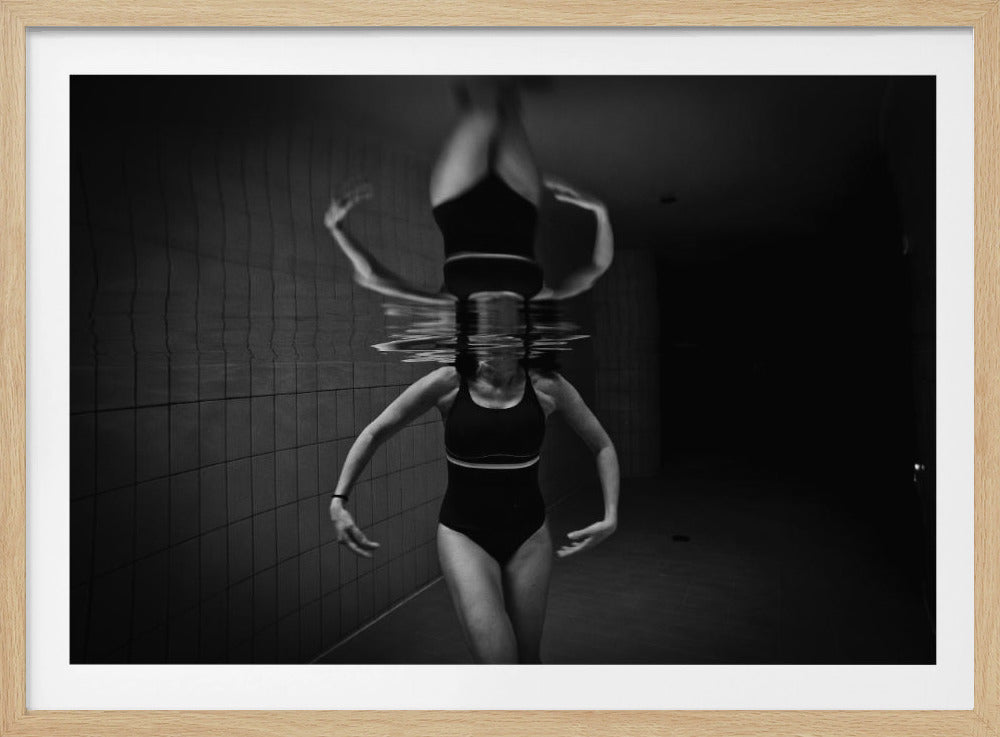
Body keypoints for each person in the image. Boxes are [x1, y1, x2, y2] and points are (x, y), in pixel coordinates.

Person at [327, 344, 620, 664]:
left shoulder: (547, 386)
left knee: (529, 661)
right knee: (499, 663)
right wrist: (339, 499)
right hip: (464, 537)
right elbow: (374, 432)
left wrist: (611, 515)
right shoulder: (449, 382)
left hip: (529, 536)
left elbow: (602, 444)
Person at [323, 77, 614, 304]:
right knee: (506, 110)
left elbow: (374, 277)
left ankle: (473, 101)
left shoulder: (452, 306)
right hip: (520, 203)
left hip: (456, 202)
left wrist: (336, 229)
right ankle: (505, 94)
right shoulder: (536, 300)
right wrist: (601, 212)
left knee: (483, 114)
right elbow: (597, 268)